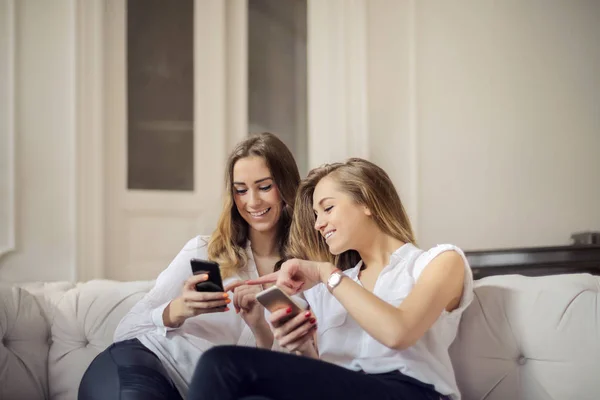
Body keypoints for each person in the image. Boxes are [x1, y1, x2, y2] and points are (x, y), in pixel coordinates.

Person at [188, 157, 474, 400]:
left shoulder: (438, 262)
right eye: (315, 214)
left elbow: (398, 333)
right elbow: (325, 376)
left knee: (220, 364)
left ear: (366, 202)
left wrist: (326, 272)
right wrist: (301, 347)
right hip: (346, 389)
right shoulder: (327, 291)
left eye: (327, 208)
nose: (318, 223)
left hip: (410, 391)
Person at [78, 132, 301, 400]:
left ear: (286, 186)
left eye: (265, 187)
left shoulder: (304, 274)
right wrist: (179, 309)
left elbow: (288, 372)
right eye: (240, 190)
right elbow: (125, 330)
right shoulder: (206, 251)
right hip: (148, 364)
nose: (252, 202)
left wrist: (259, 328)